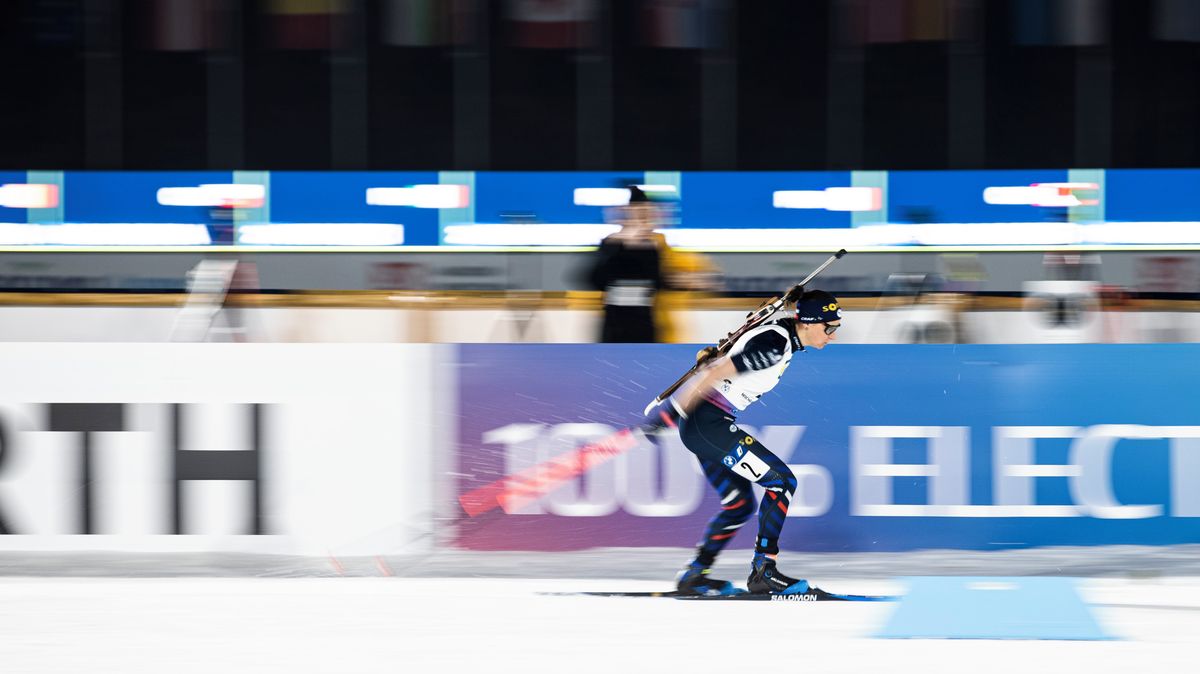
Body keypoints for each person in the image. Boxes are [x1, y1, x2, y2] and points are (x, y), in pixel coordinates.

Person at [642, 289, 843, 595]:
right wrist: (671, 412)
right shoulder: (774, 344)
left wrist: (790, 298)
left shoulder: (780, 333)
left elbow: (721, 356)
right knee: (782, 482)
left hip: (705, 426)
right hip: (707, 425)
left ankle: (695, 574)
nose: (832, 335)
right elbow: (716, 372)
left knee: (739, 505)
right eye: (829, 328)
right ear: (808, 323)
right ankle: (764, 570)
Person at [587, 186, 668, 343]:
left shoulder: (653, 246)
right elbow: (595, 279)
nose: (644, 219)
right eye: (640, 213)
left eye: (646, 214)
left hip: (644, 323)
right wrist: (624, 242)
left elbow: (658, 283)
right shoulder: (611, 244)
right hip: (615, 325)